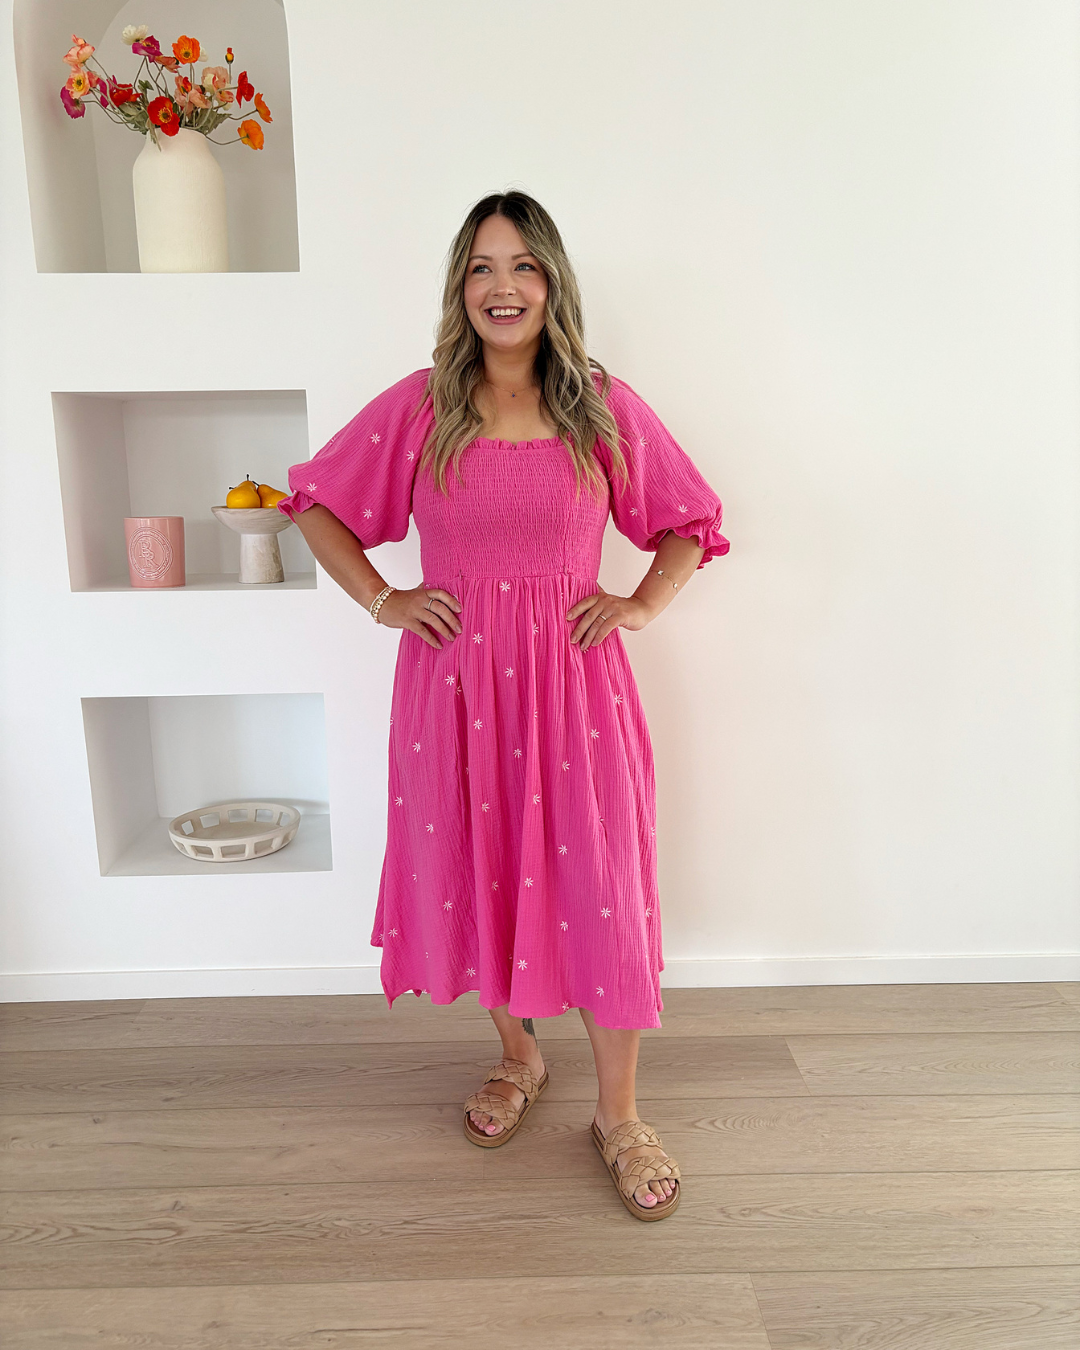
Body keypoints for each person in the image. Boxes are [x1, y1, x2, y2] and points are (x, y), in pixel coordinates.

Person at [277, 191, 729, 1220]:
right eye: (482, 267)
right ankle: (520, 1056)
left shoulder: (601, 407)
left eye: (523, 265)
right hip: (455, 688)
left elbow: (690, 520)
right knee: (482, 868)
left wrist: (641, 604)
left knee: (601, 887)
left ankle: (619, 1113)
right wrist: (386, 598)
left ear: (552, 282)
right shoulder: (421, 406)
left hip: (576, 689)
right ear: (461, 288)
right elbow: (314, 502)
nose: (503, 286)